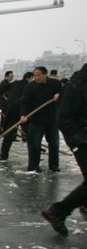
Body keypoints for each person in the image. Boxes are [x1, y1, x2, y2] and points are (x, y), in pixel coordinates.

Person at [41, 64, 87, 235]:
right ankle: (57, 212)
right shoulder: (75, 86)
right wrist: (79, 140)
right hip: (81, 140)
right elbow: (65, 118)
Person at [20, 66, 61, 173]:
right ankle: (33, 166)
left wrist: (59, 94)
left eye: (38, 75)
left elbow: (64, 92)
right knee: (34, 144)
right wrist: (23, 115)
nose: (36, 77)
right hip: (36, 119)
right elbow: (25, 102)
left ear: (45, 74)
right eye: (35, 75)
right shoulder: (30, 86)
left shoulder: (55, 84)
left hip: (52, 119)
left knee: (54, 144)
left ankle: (54, 165)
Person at [0, 72, 33, 161]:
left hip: (12, 109)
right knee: (30, 133)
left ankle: (3, 154)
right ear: (28, 78)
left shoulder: (16, 83)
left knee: (10, 133)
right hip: (19, 110)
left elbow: (3, 92)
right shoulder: (28, 86)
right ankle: (33, 155)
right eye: (32, 78)